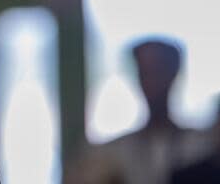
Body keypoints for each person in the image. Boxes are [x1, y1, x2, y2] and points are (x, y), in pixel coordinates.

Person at [64, 39, 211, 184]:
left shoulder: (201, 145)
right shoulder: (114, 153)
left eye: (159, 70)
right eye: (146, 72)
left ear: (173, 74)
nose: (152, 82)